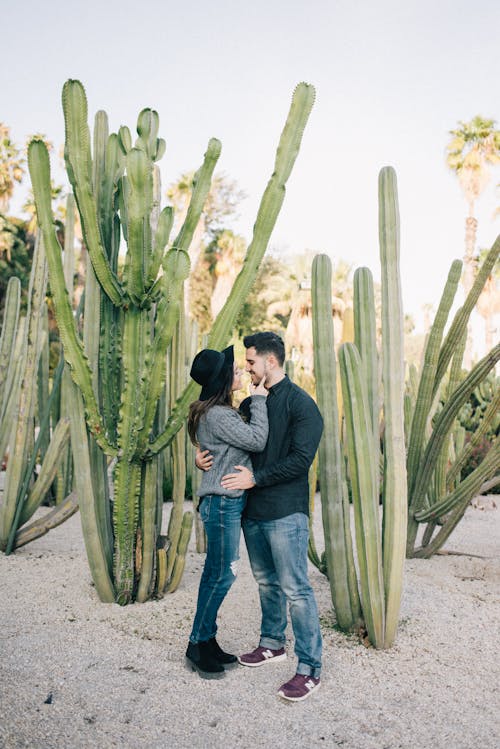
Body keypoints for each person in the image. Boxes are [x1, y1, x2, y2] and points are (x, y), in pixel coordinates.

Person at [198, 331, 324, 702]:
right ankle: (272, 643)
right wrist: (199, 455)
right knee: (266, 583)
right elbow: (226, 437)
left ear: (271, 362)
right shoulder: (252, 402)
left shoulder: (302, 405)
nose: (247, 368)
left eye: (251, 361)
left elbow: (301, 461)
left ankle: (309, 667)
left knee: (296, 590)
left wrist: (257, 477)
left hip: (286, 511)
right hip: (252, 511)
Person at [186, 344, 268, 679]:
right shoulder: (219, 415)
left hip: (222, 502)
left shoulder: (216, 412)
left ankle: (206, 640)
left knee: (215, 574)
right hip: (222, 503)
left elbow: (217, 450)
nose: (240, 372)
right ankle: (196, 642)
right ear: (222, 379)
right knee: (223, 574)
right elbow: (257, 440)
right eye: (233, 370)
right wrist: (260, 399)